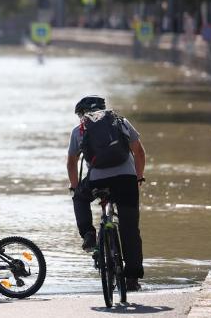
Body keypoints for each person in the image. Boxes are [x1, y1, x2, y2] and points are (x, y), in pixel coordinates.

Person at [67, 96, 146, 291]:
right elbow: (139, 152)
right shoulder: (121, 123)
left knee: (79, 197)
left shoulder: (79, 131)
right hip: (126, 180)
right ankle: (132, 279)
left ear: (81, 114)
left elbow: (71, 162)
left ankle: (88, 234)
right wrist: (138, 177)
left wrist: (75, 186)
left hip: (97, 180)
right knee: (130, 230)